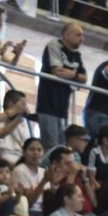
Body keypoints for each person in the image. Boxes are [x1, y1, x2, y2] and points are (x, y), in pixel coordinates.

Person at [37, 21, 84, 151]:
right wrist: (75, 75)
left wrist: (72, 75)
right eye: (78, 35)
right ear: (67, 35)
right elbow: (57, 71)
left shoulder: (76, 55)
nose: (82, 39)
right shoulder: (54, 45)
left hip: (62, 109)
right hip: (48, 106)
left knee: (61, 148)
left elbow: (84, 78)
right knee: (51, 149)